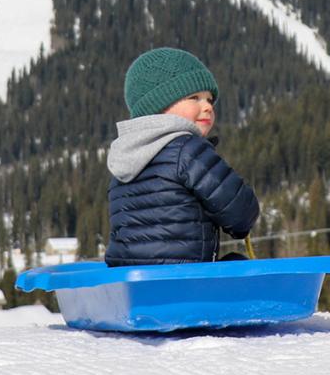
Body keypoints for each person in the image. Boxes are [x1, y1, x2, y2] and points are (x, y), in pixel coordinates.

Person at [105, 47, 260, 266]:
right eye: (194, 97)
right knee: (239, 264)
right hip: (184, 282)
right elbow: (240, 214)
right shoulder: (187, 150)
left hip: (134, 284)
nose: (207, 106)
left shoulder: (123, 160)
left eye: (210, 99)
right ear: (159, 104)